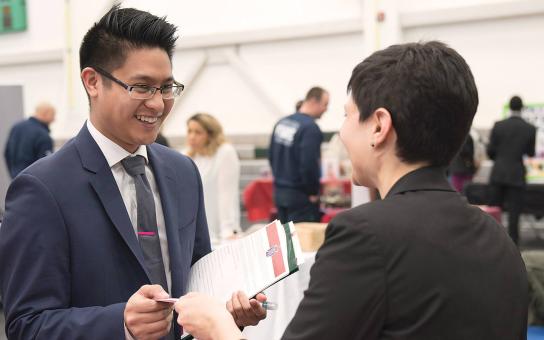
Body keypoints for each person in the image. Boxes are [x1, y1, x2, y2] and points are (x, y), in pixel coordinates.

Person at [173, 41, 528, 340]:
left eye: (346, 115)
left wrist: (216, 325)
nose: (342, 132)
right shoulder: (497, 237)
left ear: (379, 127)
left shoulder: (366, 236)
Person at [0, 6, 264, 339]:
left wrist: (226, 314)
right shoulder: (43, 189)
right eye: (142, 87)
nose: (157, 104)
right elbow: (27, 325)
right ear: (93, 82)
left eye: (166, 87)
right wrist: (119, 324)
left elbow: (198, 279)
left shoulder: (182, 172)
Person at [269, 86, 329, 223]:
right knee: (303, 243)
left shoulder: (282, 122)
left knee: (286, 241)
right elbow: (309, 164)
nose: (326, 109)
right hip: (300, 198)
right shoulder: (310, 129)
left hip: (280, 194)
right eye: (325, 104)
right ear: (314, 101)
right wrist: (313, 191)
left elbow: (271, 156)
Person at [487, 95, 536, 245]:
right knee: (514, 214)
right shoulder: (530, 129)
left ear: (510, 107)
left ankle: (491, 243)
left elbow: (490, 151)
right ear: (521, 108)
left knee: (494, 211)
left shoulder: (498, 125)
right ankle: (513, 247)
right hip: (516, 174)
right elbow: (530, 153)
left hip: (499, 172)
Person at [184, 113, 241, 242]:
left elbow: (226, 194)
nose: (192, 137)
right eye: (189, 131)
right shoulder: (186, 155)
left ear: (210, 134)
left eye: (198, 132)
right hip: (193, 231)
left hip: (219, 232)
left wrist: (227, 230)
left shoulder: (225, 152)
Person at [3, 102, 55, 178]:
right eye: (53, 115)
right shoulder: (43, 135)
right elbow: (47, 165)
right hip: (34, 183)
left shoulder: (16, 127)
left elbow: (6, 153)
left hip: (15, 179)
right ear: (45, 113)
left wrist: (13, 174)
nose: (54, 119)